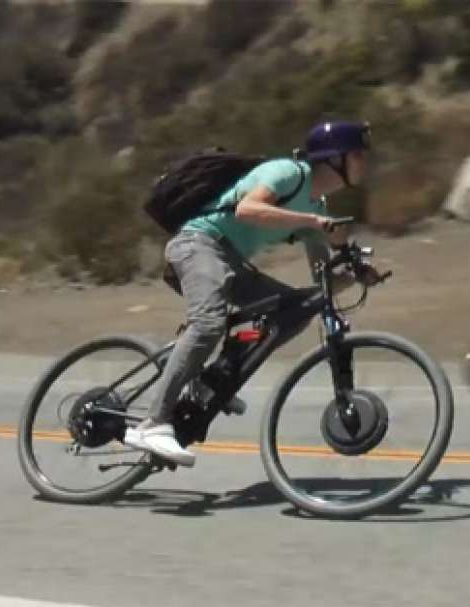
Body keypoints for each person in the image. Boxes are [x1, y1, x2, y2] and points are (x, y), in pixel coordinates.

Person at [124, 120, 379, 467]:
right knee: (209, 323)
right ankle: (153, 423)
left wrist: (353, 275)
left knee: (296, 309)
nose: (365, 163)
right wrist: (310, 222)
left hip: (230, 259)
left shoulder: (315, 207)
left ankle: (213, 378)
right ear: (335, 159)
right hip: (198, 243)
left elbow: (321, 280)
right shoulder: (288, 172)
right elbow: (247, 209)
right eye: (358, 155)